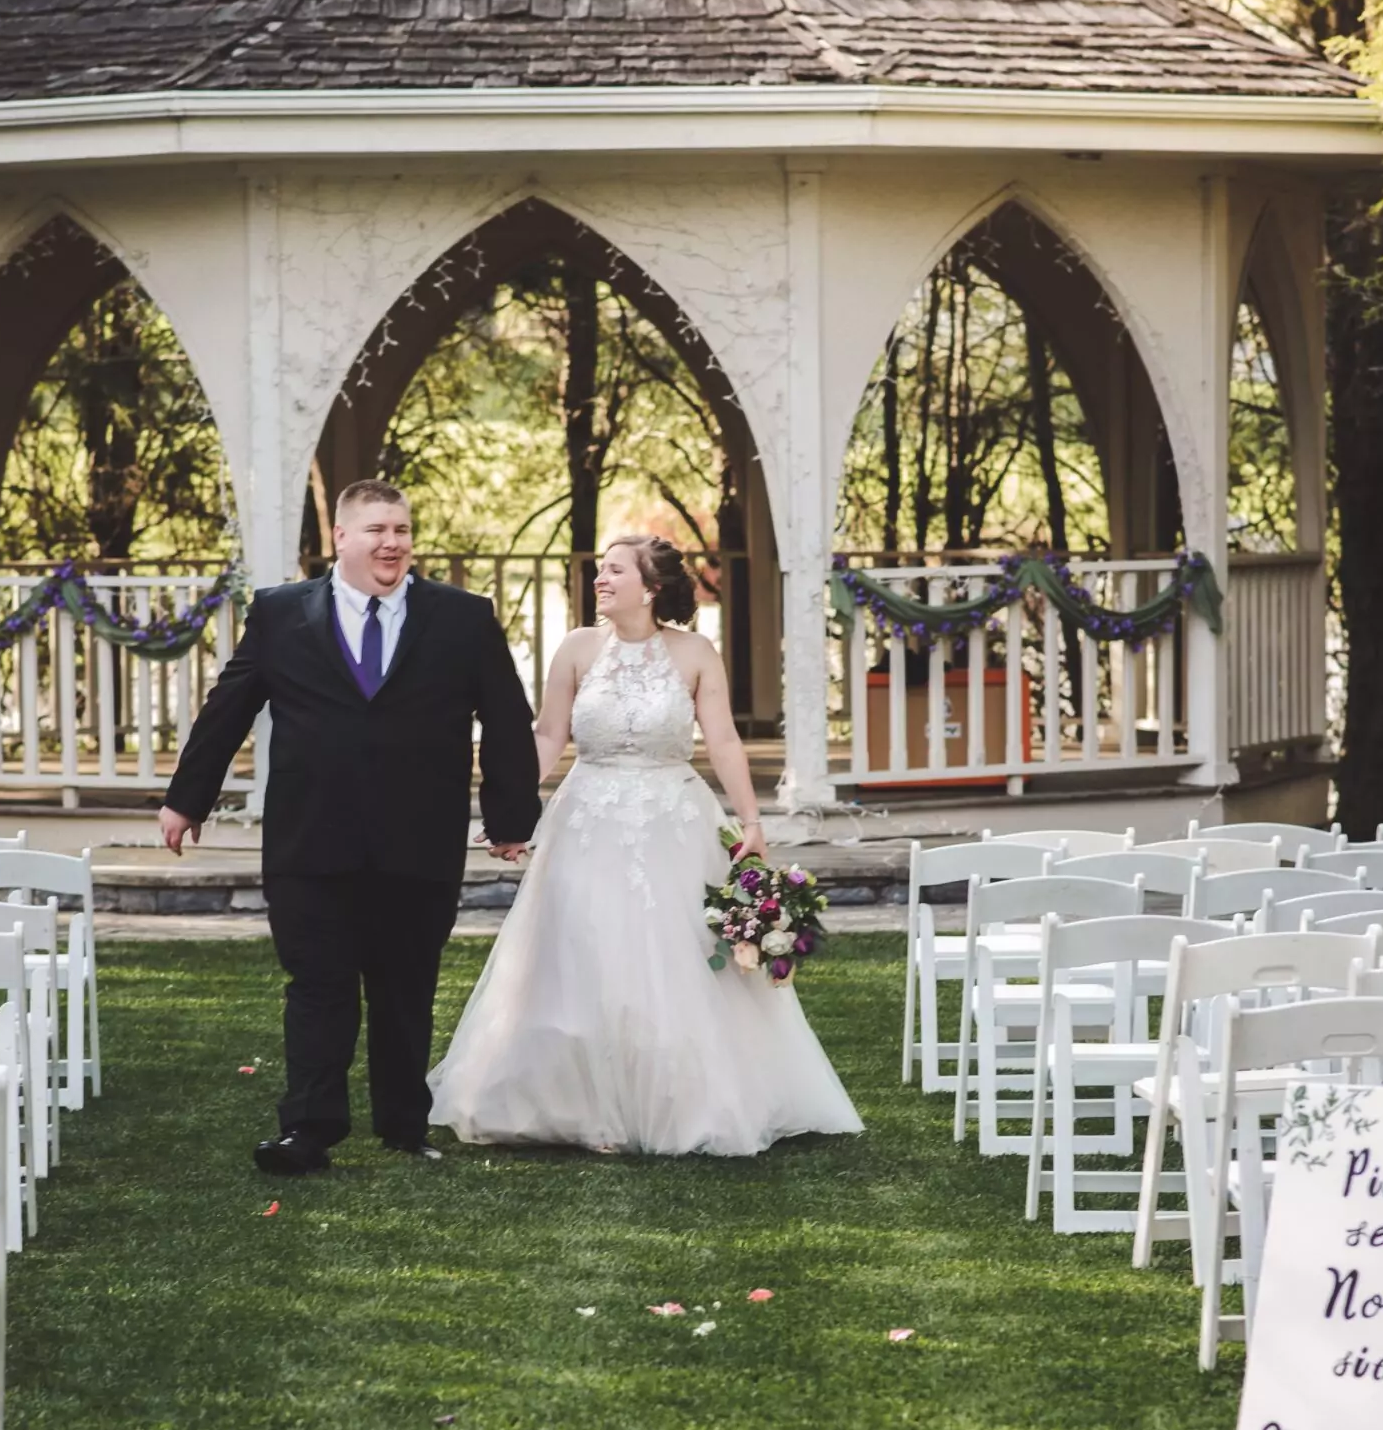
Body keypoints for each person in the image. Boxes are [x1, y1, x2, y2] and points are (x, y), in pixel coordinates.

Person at [428, 535, 862, 1155]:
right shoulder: (576, 648)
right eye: (600, 570)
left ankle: (685, 1100)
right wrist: (510, 813)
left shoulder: (695, 653)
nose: (599, 579)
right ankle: (575, 1101)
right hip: (586, 818)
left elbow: (725, 742)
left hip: (673, 820)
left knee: (675, 956)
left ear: (650, 588)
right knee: (581, 948)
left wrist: (752, 823)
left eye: (613, 571)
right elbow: (548, 736)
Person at [161, 480, 541, 1176]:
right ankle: (307, 1129)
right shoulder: (281, 614)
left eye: (401, 529)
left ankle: (403, 1124)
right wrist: (188, 799)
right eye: (376, 530)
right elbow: (230, 706)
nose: (391, 542)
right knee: (318, 983)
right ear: (340, 537)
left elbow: (508, 719)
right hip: (311, 839)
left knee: (406, 987)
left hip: (418, 840)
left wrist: (511, 816)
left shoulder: (462, 617)